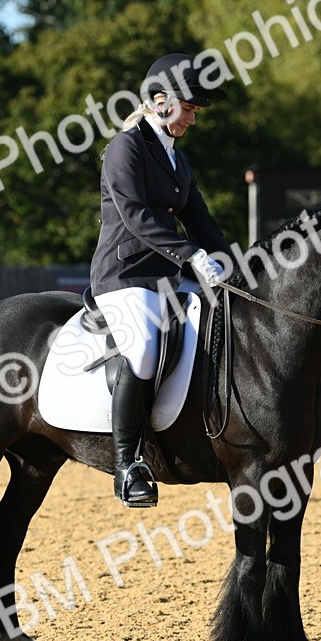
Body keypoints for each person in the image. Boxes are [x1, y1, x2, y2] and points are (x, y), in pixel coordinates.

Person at [90, 53, 230, 508]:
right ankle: (128, 463)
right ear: (158, 101)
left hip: (167, 274)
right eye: (187, 108)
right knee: (146, 348)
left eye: (194, 110)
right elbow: (135, 217)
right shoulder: (125, 147)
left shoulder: (177, 160)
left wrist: (234, 266)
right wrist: (191, 256)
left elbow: (201, 220)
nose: (191, 117)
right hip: (125, 273)